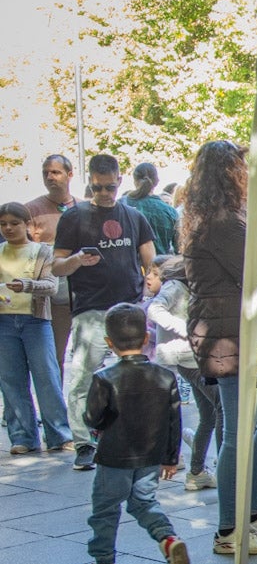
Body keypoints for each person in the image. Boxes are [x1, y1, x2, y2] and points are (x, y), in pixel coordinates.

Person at [181, 140, 257, 555]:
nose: (249, 176)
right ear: (230, 173)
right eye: (241, 169)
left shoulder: (220, 219)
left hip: (240, 331)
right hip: (229, 337)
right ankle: (230, 529)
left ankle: (249, 513)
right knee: (239, 431)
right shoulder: (223, 222)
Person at [73, 303, 189, 564]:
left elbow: (92, 417)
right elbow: (174, 419)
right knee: (143, 502)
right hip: (150, 456)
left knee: (105, 510)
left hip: (114, 456)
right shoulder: (165, 376)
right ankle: (168, 539)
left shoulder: (104, 378)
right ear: (146, 339)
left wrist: (96, 427)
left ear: (109, 343)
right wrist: (170, 458)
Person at [52, 154, 156, 471]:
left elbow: (150, 259)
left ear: (119, 181)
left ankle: (134, 438)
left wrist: (151, 285)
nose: (104, 194)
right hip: (91, 309)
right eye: (97, 188)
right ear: (90, 182)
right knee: (83, 377)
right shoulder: (74, 217)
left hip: (129, 308)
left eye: (110, 187)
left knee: (135, 378)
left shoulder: (133, 216)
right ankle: (84, 443)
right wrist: (77, 261)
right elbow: (57, 265)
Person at [0, 202, 71, 454]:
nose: (8, 228)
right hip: (4, 323)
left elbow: (51, 286)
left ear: (27, 225)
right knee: (11, 381)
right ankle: (22, 437)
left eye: (14, 223)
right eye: (3, 224)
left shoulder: (41, 251)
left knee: (47, 377)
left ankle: (59, 435)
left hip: (36, 321)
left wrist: (27, 285)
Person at [146, 255, 219, 490]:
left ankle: (197, 471)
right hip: (187, 358)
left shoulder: (185, 286)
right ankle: (217, 467)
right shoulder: (175, 286)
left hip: (191, 358)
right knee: (222, 409)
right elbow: (155, 309)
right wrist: (187, 330)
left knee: (209, 415)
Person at [25, 154, 78, 375]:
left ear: (70, 174)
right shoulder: (30, 210)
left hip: (86, 293)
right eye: (46, 172)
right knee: (55, 356)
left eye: (55, 172)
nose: (50, 177)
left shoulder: (84, 208)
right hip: (51, 295)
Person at [123, 163, 179, 255]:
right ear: (157, 181)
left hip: (130, 266)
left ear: (134, 181)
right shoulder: (170, 211)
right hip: (159, 265)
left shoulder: (123, 205)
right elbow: (179, 248)